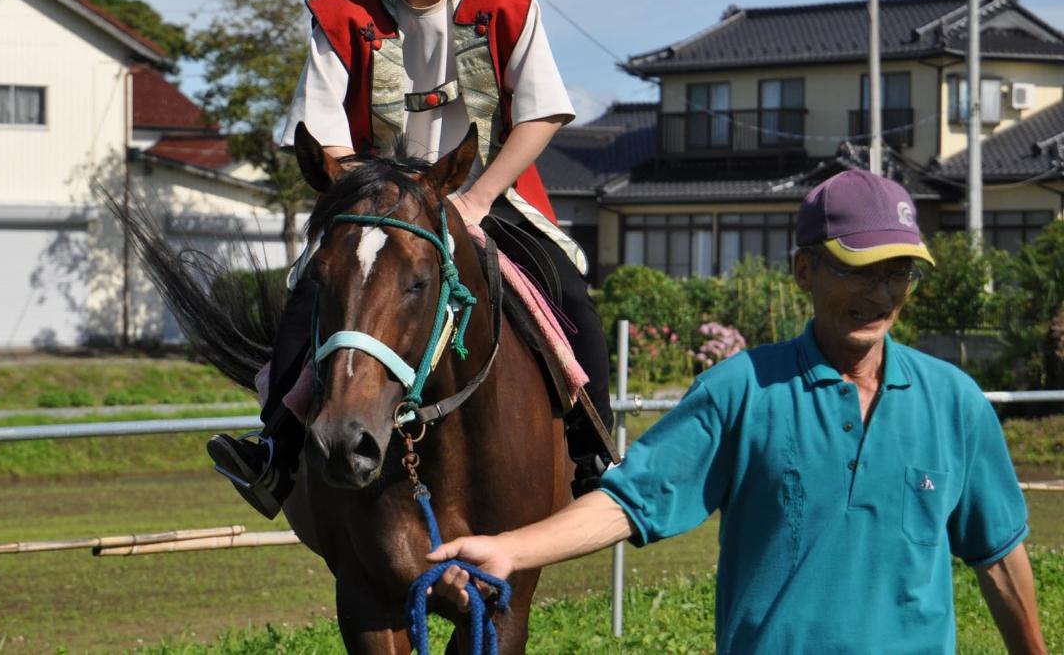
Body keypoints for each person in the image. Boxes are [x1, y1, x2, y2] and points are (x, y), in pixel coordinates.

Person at [426, 169, 1047, 654]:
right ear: (805, 270)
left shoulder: (955, 402)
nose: (881, 295)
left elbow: (999, 557)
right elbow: (631, 499)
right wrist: (511, 549)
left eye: (898, 274)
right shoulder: (742, 390)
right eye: (860, 272)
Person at [206, 0, 614, 517]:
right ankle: (273, 452)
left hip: (491, 190)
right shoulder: (341, 12)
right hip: (381, 198)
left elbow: (542, 113)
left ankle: (595, 456)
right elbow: (320, 133)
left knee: (572, 299)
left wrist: (477, 199)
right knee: (311, 294)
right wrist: (381, 191)